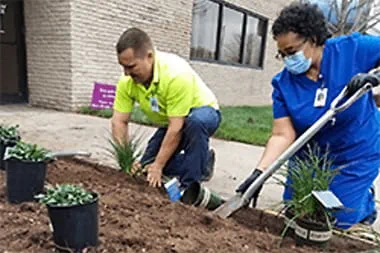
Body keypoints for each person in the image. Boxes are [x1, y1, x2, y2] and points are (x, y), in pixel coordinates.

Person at [236, 2, 380, 229]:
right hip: (309, 156)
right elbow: (282, 134)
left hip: (355, 153)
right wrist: (259, 173)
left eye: (292, 51)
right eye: (281, 54)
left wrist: (374, 81)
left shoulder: (351, 49)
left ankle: (365, 203)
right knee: (297, 213)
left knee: (335, 220)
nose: (287, 60)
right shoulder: (283, 84)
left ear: (313, 39)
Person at [111, 27, 221, 189]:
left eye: (131, 66)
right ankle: (202, 163)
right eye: (123, 67)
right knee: (146, 166)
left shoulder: (175, 74)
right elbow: (119, 121)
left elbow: (177, 127)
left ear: (149, 56)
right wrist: (126, 158)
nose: (126, 73)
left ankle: (190, 187)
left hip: (204, 113)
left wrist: (159, 165)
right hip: (172, 121)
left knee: (194, 123)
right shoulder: (126, 81)